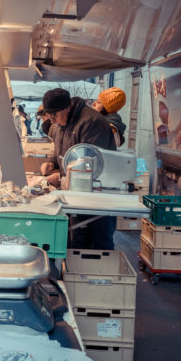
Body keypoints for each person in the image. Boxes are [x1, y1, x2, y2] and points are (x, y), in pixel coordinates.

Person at [41, 88, 117, 249]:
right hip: (75, 194)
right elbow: (60, 148)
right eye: (49, 116)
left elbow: (91, 165)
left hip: (97, 198)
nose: (52, 121)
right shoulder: (60, 124)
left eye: (54, 116)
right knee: (76, 243)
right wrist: (52, 162)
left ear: (67, 108)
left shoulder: (92, 123)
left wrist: (61, 179)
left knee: (96, 245)